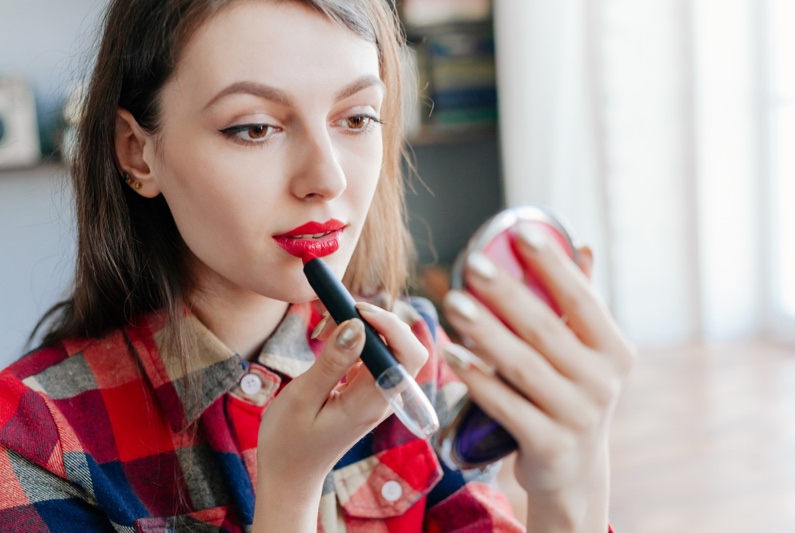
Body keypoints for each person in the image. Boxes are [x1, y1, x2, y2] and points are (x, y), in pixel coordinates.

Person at [0, 0, 636, 531]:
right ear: (138, 154)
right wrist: (290, 493)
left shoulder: (414, 354)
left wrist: (572, 491)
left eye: (357, 118)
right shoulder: (34, 439)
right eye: (253, 128)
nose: (326, 178)